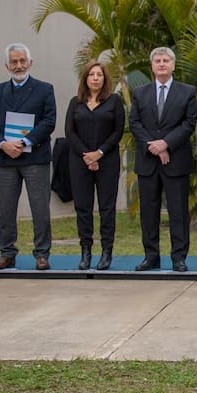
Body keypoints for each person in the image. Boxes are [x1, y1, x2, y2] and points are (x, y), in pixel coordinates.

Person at [0, 42, 57, 271]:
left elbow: (49, 120)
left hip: (35, 157)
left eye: (22, 61)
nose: (19, 65)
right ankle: (7, 253)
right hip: (6, 158)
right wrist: (3, 144)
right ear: (7, 65)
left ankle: (42, 254)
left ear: (30, 63)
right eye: (14, 62)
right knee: (5, 208)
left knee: (40, 207)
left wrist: (24, 142)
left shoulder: (45, 89)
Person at [128, 46, 197, 272]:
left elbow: (188, 124)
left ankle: (179, 257)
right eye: (157, 60)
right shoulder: (140, 93)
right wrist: (155, 147)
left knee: (178, 212)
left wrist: (166, 143)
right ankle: (151, 256)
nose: (161, 64)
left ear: (173, 65)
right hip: (148, 162)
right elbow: (135, 123)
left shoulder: (187, 92)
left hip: (176, 161)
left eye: (165, 60)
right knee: (148, 212)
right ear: (152, 66)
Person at [64, 61, 125, 271]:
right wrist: (87, 156)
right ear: (85, 79)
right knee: (83, 207)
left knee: (107, 208)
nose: (96, 78)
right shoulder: (75, 103)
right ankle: (85, 250)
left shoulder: (114, 101)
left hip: (107, 161)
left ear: (105, 79)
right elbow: (69, 132)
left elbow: (118, 131)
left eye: (99, 75)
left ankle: (106, 251)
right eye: (92, 75)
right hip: (79, 161)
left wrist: (99, 154)